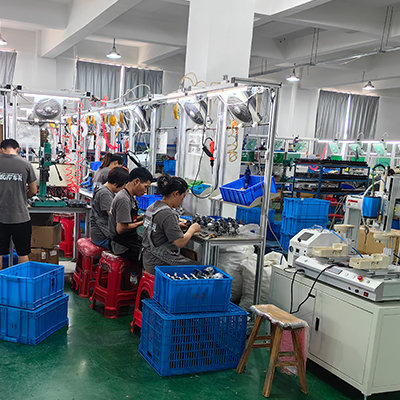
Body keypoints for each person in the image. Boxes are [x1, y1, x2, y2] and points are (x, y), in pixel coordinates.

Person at [142, 174, 201, 275]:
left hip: (147, 258)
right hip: (158, 262)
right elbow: (180, 243)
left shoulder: (152, 207)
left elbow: (157, 229)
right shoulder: (168, 213)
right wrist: (192, 229)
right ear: (176, 193)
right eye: (183, 197)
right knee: (200, 268)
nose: (182, 201)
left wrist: (175, 227)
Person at [0, 139, 37, 269]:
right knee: (23, 252)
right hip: (20, 217)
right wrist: (23, 197)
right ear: (18, 149)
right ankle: (23, 286)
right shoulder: (26, 164)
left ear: (1, 149)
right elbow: (33, 190)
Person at [109, 167, 153, 268]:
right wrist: (142, 222)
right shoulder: (123, 199)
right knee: (150, 260)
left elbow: (128, 220)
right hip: (121, 245)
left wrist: (141, 217)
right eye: (145, 187)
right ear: (136, 181)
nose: (145, 191)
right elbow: (121, 229)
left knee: (150, 250)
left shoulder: (129, 197)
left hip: (127, 240)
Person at [90, 167, 130, 249]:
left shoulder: (106, 190)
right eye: (123, 186)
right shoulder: (105, 194)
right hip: (102, 237)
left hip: (103, 233)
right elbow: (113, 216)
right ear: (115, 184)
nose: (123, 189)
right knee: (129, 247)